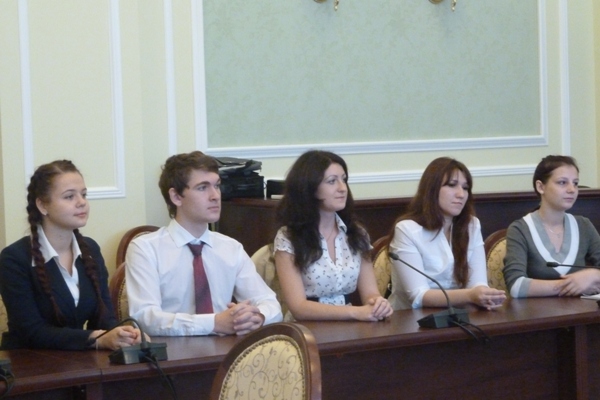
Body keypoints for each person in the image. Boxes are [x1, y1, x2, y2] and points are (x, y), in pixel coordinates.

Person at [125, 151, 282, 336]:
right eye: (202, 188)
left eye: (217, 186)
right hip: (171, 350)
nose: (215, 196)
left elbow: (270, 303)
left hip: (226, 349)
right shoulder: (145, 248)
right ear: (176, 197)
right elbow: (145, 318)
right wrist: (213, 323)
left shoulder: (231, 248)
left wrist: (258, 317)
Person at [0, 160, 143, 350]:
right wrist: (96, 338)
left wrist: (126, 334)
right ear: (42, 205)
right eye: (69, 196)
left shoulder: (90, 250)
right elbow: (30, 331)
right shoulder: (14, 258)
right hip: (28, 362)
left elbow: (104, 317)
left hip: (78, 360)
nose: (81, 202)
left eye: (84, 194)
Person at [274, 150, 393, 321]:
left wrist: (378, 304)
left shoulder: (357, 233)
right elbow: (299, 307)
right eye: (332, 181)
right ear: (309, 188)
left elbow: (370, 293)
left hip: (350, 324)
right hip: (307, 327)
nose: (342, 188)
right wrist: (355, 312)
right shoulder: (288, 237)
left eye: (344, 180)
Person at [387, 157, 506, 310]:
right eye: (452, 185)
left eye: (465, 188)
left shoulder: (472, 225)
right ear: (432, 189)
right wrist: (471, 295)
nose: (461, 194)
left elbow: (478, 283)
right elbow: (419, 296)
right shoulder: (407, 230)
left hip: (459, 315)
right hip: (411, 318)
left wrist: (485, 295)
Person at [503, 155, 600, 298]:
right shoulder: (520, 229)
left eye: (575, 183)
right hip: (536, 311)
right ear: (540, 187)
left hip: (581, 310)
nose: (572, 189)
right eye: (562, 182)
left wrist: (594, 275)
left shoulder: (584, 225)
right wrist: (573, 285)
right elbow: (516, 286)